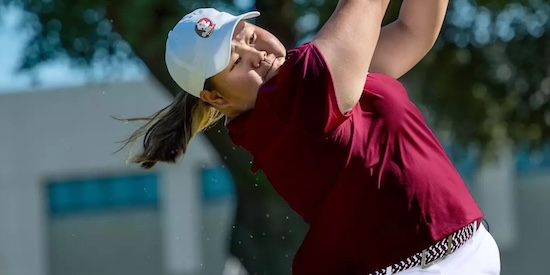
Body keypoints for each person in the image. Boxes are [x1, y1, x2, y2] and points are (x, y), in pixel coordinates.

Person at [119, 0, 502, 274]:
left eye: (248, 36)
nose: (255, 54)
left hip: (465, 250)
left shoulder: (305, 81)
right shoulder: (292, 98)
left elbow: (411, 32)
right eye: (234, 62)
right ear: (215, 97)